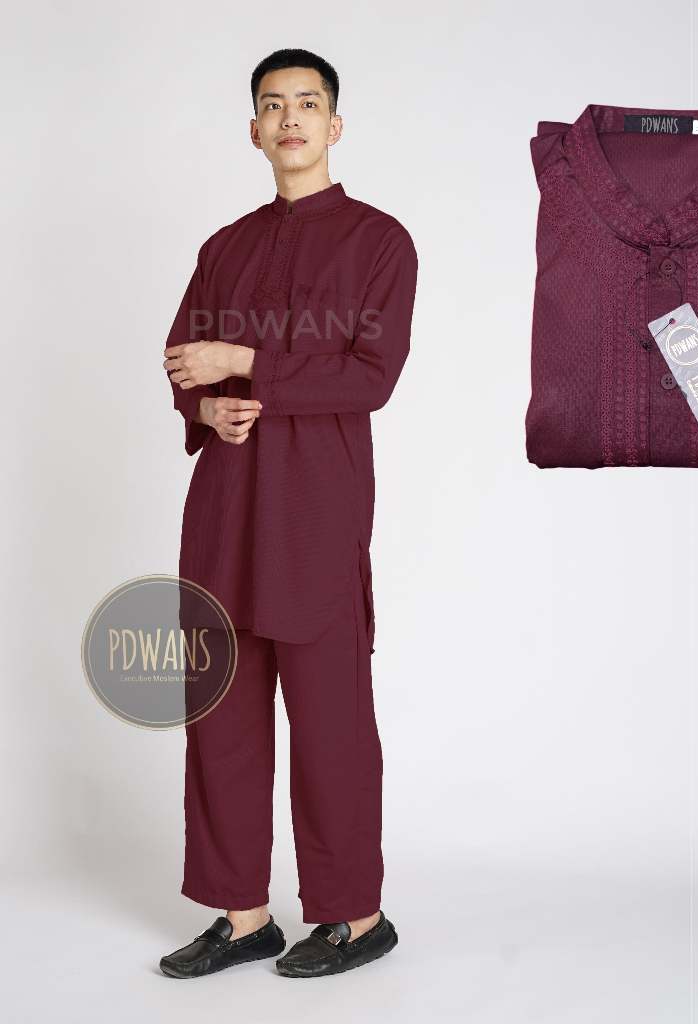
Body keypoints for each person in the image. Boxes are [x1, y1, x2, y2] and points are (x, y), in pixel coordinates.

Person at [158, 48, 418, 980]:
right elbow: (182, 358)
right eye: (274, 106)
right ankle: (243, 916)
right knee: (220, 717)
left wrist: (244, 363)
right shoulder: (223, 247)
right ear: (255, 130)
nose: (291, 118)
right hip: (225, 510)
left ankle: (355, 916)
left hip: (316, 513)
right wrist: (206, 406)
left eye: (308, 103)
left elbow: (369, 377)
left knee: (331, 722)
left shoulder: (380, 242)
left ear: (334, 126)